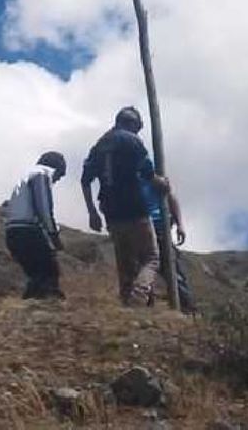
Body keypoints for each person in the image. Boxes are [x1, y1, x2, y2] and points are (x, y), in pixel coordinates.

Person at [82, 107, 160, 306]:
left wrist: (92, 212)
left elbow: (85, 180)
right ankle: (139, 294)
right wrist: (160, 182)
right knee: (151, 258)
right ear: (132, 124)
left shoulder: (99, 145)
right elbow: (148, 173)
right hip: (135, 207)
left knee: (125, 262)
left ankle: (128, 303)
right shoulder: (132, 141)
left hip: (110, 210)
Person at [2, 150, 68, 299]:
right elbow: (43, 208)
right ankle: (45, 309)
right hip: (27, 232)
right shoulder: (42, 174)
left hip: (12, 232)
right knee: (50, 272)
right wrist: (54, 235)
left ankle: (30, 305)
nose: (57, 180)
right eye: (60, 176)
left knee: (36, 275)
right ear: (56, 168)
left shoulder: (26, 176)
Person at [146, 173, 196, 313]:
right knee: (144, 270)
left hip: (159, 227)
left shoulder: (151, 172)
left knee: (171, 268)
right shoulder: (126, 173)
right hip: (140, 226)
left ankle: (187, 309)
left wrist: (180, 224)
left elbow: (170, 196)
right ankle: (147, 307)